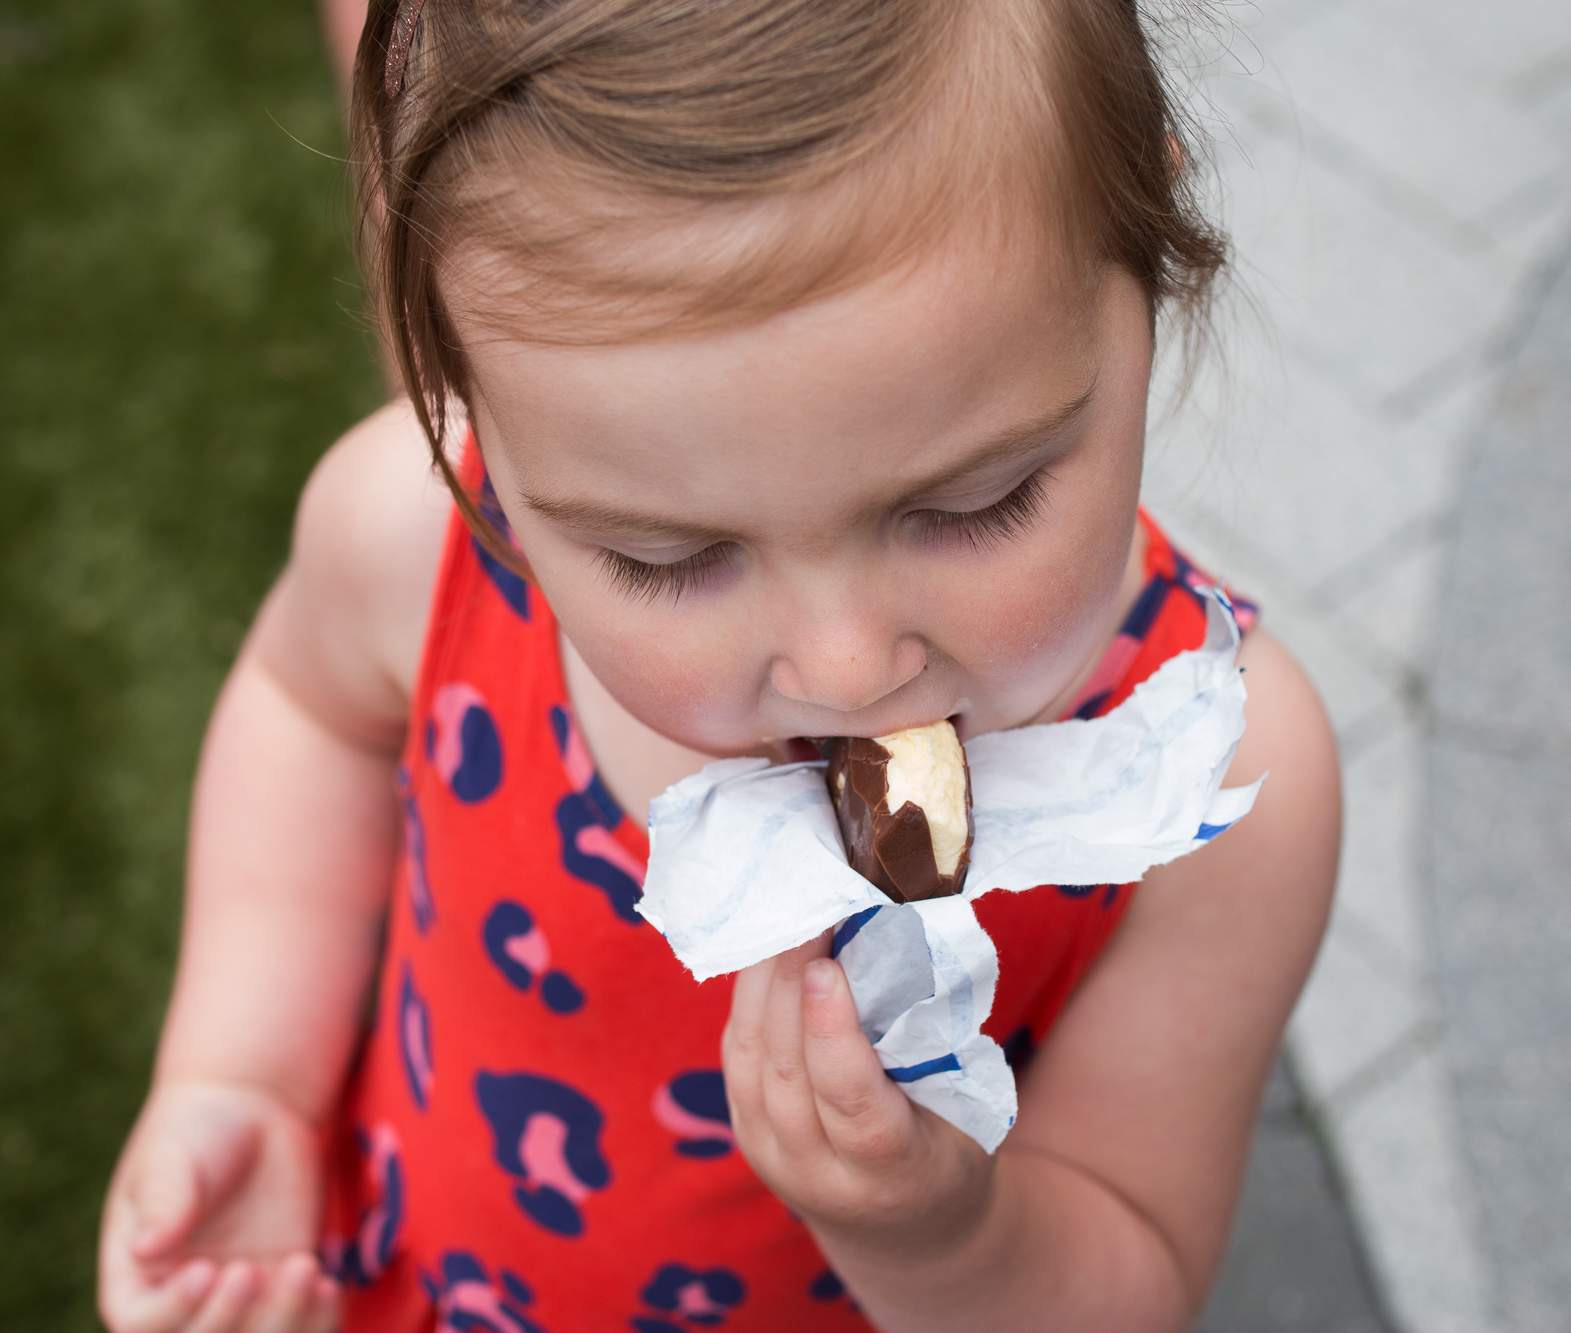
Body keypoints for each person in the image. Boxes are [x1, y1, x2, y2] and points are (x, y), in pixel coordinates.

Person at [97, 2, 1342, 1330]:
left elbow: (1131, 1273)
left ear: (1142, 227)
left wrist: (935, 1235)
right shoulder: (417, 544)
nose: (852, 666)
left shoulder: (1222, 788)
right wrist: (244, 1071)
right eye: (666, 559)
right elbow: (312, 714)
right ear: (477, 399)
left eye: (981, 502)